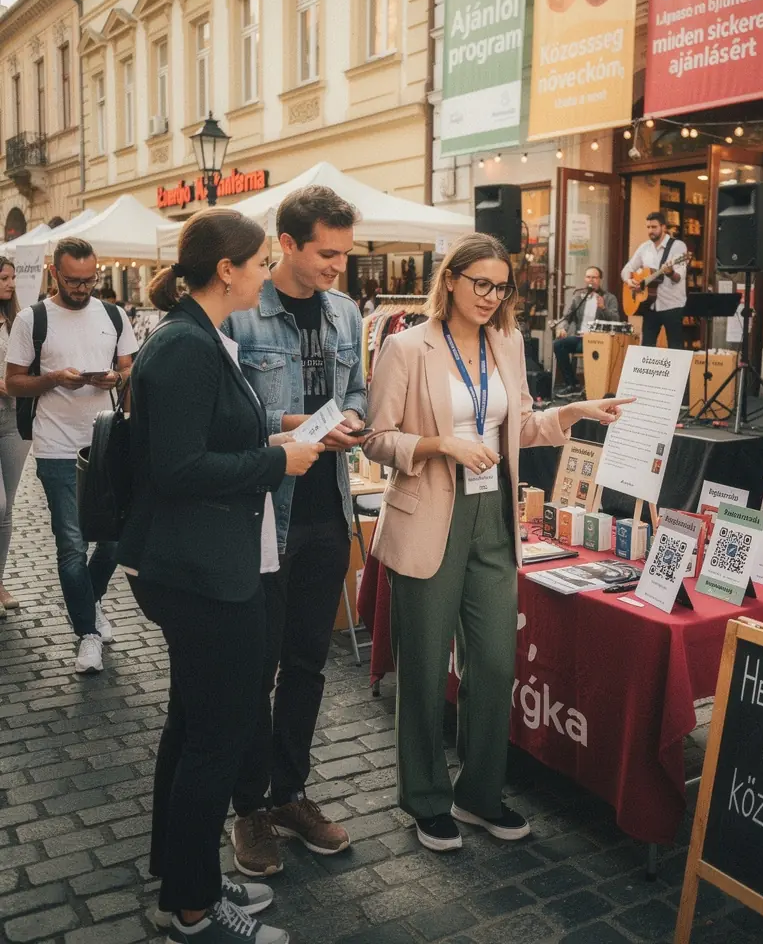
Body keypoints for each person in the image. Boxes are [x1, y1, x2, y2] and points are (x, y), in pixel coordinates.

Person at [363, 232, 631, 852]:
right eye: (478, 283)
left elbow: (522, 426)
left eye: (500, 286)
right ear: (450, 279)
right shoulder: (407, 346)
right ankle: (426, 799)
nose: (489, 297)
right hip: (430, 514)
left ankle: (479, 795)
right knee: (426, 669)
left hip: (495, 517)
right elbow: (377, 439)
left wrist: (574, 411)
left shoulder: (506, 343)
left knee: (493, 664)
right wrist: (439, 445)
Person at [117, 208, 323, 944]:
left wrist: (277, 435)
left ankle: (184, 874)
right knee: (216, 734)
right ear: (226, 269)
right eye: (261, 260)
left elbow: (205, 440)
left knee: (192, 725)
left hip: (212, 561)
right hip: (203, 570)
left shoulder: (201, 337)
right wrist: (277, 462)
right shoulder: (185, 345)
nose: (269, 271)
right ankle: (195, 910)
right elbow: (176, 469)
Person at [225, 187, 366, 877]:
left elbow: (358, 391)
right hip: (262, 522)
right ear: (287, 244)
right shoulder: (245, 316)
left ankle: (290, 794)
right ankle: (247, 807)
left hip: (325, 515)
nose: (339, 266)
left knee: (308, 665)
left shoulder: (346, 313)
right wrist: (298, 427)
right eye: (327, 253)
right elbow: (230, 419)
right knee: (255, 669)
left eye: (345, 252)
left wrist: (355, 423)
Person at [6, 236, 138, 674]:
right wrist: (55, 379)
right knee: (71, 544)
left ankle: (89, 600)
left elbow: (129, 369)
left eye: (89, 280)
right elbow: (14, 382)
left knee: (115, 540)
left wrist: (115, 379)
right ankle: (87, 634)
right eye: (73, 281)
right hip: (56, 445)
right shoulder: (34, 319)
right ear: (54, 273)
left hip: (105, 443)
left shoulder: (115, 315)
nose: (83, 288)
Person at [0, 258, 29, 615]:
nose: (9, 283)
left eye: (12, 278)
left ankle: (0, 580)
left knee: (7, 513)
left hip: (14, 422)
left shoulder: (20, 322)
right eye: (3, 278)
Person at [621, 211, 689, 348]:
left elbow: (678, 278)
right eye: (648, 227)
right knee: (646, 347)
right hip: (650, 305)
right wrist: (629, 281)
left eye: (654, 227)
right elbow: (627, 269)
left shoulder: (678, 246)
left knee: (676, 349)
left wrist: (670, 273)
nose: (650, 230)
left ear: (663, 227)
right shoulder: (644, 247)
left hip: (672, 305)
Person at [553, 266, 621, 397]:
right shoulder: (578, 297)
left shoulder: (609, 298)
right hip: (580, 337)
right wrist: (561, 328)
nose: (591, 280)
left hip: (599, 339)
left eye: (594, 277)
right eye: (588, 277)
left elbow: (616, 319)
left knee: (590, 348)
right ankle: (572, 384)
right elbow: (567, 316)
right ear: (585, 279)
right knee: (558, 344)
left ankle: (592, 388)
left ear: (600, 280)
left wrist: (603, 308)